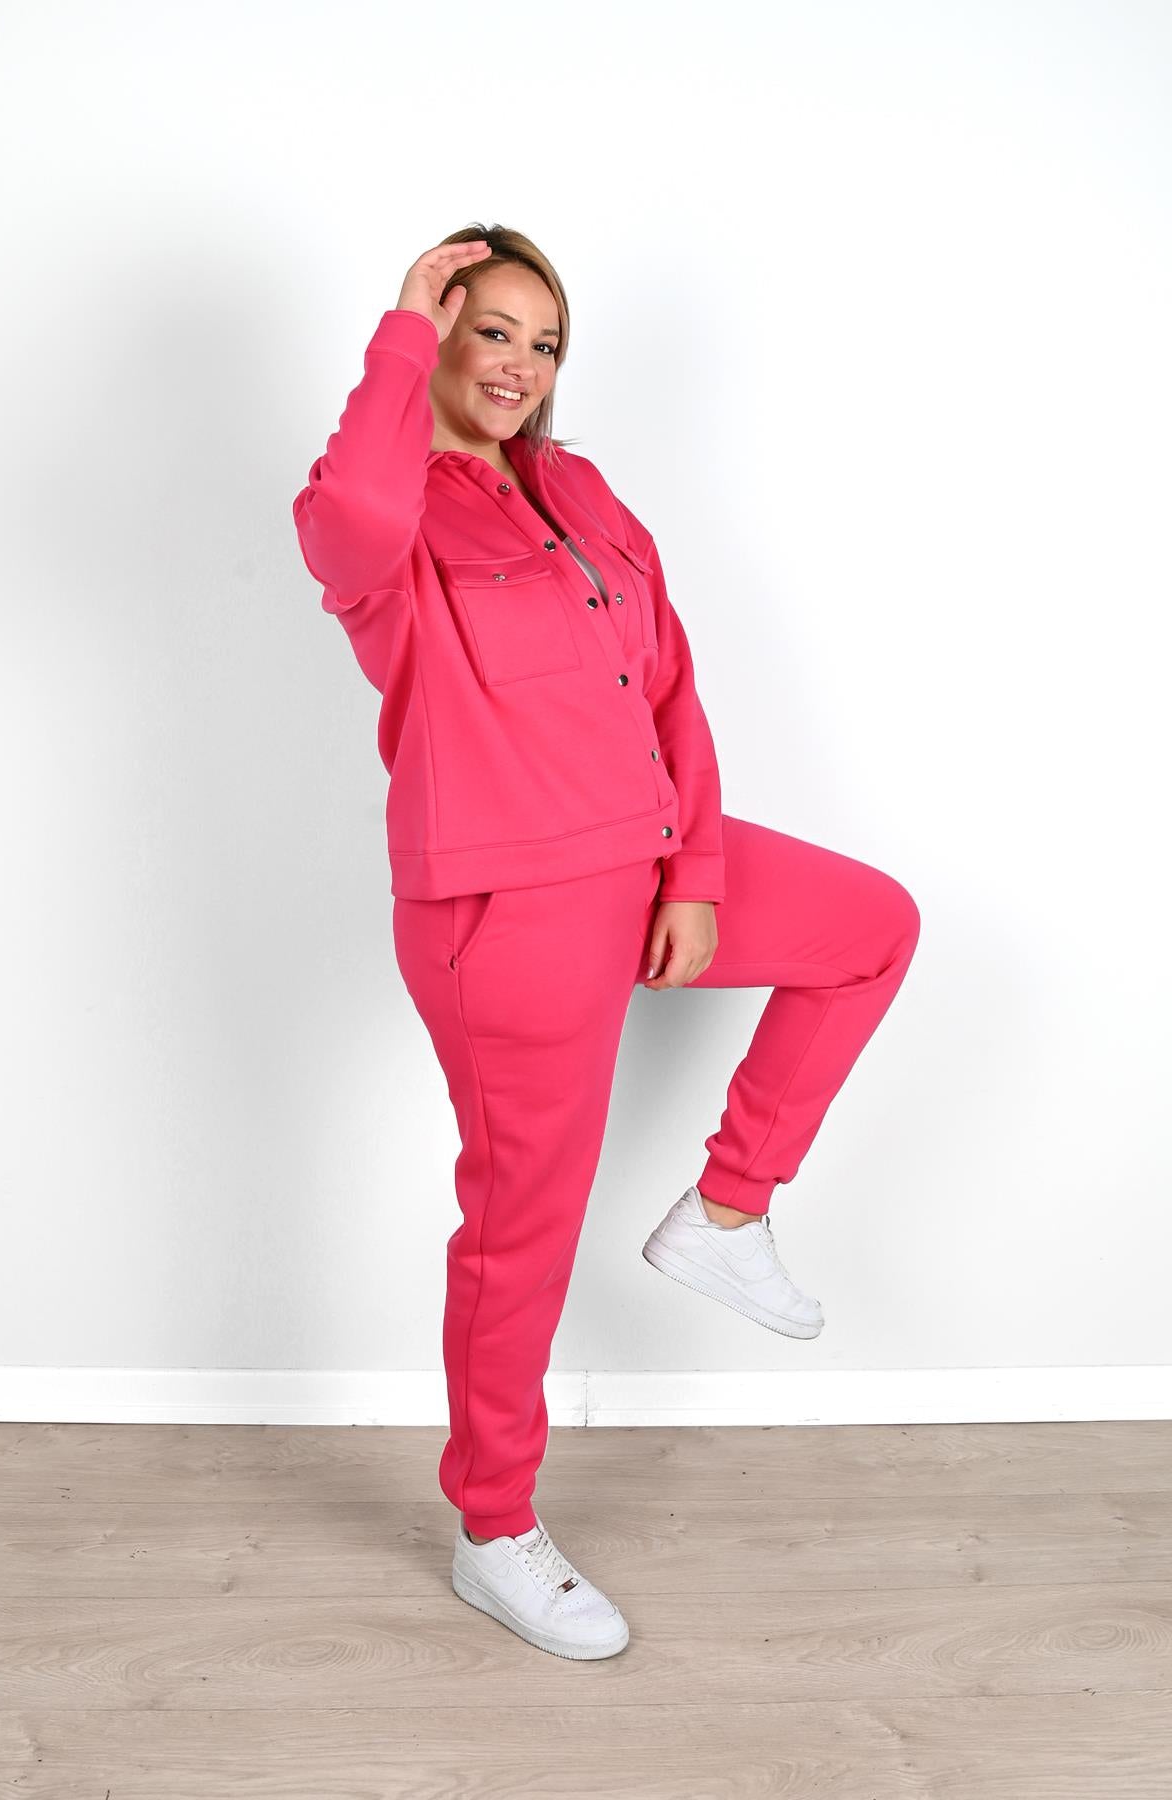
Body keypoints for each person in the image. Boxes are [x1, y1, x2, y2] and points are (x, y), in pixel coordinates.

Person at [291, 223, 921, 1661]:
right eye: (489, 329)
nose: (519, 363)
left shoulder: (577, 490)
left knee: (870, 926)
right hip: (503, 907)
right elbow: (360, 513)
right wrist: (401, 328)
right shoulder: (379, 513)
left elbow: (668, 681)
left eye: (545, 341)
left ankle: (728, 1211)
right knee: (524, 1226)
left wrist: (692, 868)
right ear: (436, 336)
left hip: (646, 860)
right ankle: (494, 1528)